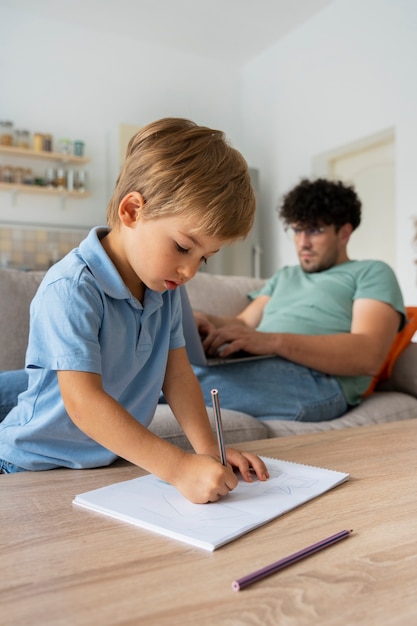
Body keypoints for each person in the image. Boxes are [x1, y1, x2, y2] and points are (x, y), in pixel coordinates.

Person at [0, 117, 269, 499]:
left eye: (205, 258)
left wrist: (209, 452)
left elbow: (177, 376)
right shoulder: (72, 287)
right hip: (32, 467)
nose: (190, 270)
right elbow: (84, 402)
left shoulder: (167, 290)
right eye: (182, 247)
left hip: (106, 466)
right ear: (132, 211)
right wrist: (177, 468)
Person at [191, 178, 405, 422]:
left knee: (174, 381)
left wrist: (272, 342)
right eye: (297, 230)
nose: (303, 242)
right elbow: (244, 323)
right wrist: (205, 320)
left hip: (318, 380)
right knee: (171, 370)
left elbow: (368, 356)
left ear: (344, 233)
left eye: (315, 230)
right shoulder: (286, 275)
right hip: (261, 363)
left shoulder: (372, 272)